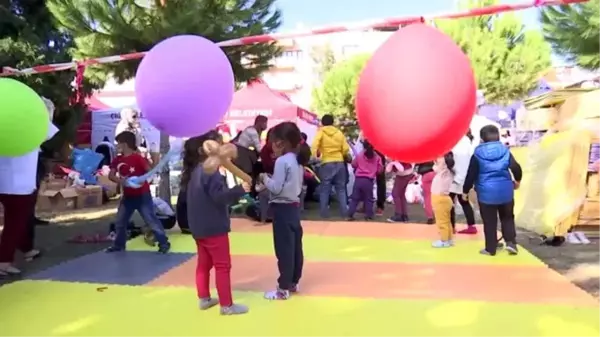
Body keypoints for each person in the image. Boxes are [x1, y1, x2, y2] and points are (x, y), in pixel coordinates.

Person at [181, 130, 251, 315]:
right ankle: (226, 305)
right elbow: (220, 197)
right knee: (222, 265)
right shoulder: (211, 172)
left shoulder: (196, 171)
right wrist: (239, 189)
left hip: (199, 226)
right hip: (213, 227)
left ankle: (204, 298)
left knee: (204, 263)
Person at [0, 116, 58, 275]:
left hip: (5, 181)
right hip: (20, 185)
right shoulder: (33, 128)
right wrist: (43, 113)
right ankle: (4, 261)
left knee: (20, 220)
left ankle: (25, 248)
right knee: (15, 222)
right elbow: (49, 131)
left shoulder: (5, 126)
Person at [258, 122, 304, 300]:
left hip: (282, 209)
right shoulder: (296, 161)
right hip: (294, 207)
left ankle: (282, 288)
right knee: (294, 248)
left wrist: (264, 178)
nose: (271, 148)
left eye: (272, 143)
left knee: (284, 249)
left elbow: (276, 188)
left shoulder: (282, 161)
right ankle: (293, 282)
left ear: (280, 143)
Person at [105, 131, 170, 253]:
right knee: (120, 221)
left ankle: (164, 242)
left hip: (142, 196)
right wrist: (121, 181)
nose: (117, 146)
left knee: (151, 219)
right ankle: (119, 245)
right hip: (128, 197)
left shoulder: (138, 158)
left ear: (125, 144)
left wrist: (142, 178)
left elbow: (149, 171)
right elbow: (111, 175)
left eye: (118, 143)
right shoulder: (118, 159)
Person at [463, 125, 522, 256]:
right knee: (507, 218)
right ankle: (511, 243)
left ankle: (491, 248)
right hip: (506, 191)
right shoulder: (506, 151)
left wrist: (465, 191)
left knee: (490, 221)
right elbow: (516, 168)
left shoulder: (477, 154)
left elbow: (471, 174)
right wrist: (517, 181)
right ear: (498, 136)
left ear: (482, 139)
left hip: (486, 194)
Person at [311, 114, 350, 218]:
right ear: (333, 122)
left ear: (322, 122)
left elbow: (314, 145)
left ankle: (324, 214)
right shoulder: (339, 133)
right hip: (340, 162)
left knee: (325, 189)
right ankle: (344, 213)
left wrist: (314, 156)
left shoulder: (321, 132)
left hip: (327, 162)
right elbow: (345, 149)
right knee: (341, 189)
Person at [347, 140, 382, 220]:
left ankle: (350, 215)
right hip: (369, 180)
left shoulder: (360, 155)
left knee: (355, 198)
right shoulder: (377, 157)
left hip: (359, 180)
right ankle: (368, 215)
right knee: (369, 199)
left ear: (364, 146)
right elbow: (380, 170)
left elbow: (353, 164)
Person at [450, 129, 477, 234]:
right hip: (465, 178)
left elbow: (453, 162)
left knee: (450, 202)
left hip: (455, 177)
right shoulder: (469, 145)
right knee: (464, 201)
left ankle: (451, 227)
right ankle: (472, 225)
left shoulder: (456, 144)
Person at [431, 152, 456, 248]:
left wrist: (437, 156)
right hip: (444, 199)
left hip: (440, 199)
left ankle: (444, 240)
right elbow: (435, 167)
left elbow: (437, 166)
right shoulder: (447, 172)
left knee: (442, 221)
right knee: (446, 221)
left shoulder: (444, 172)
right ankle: (448, 239)